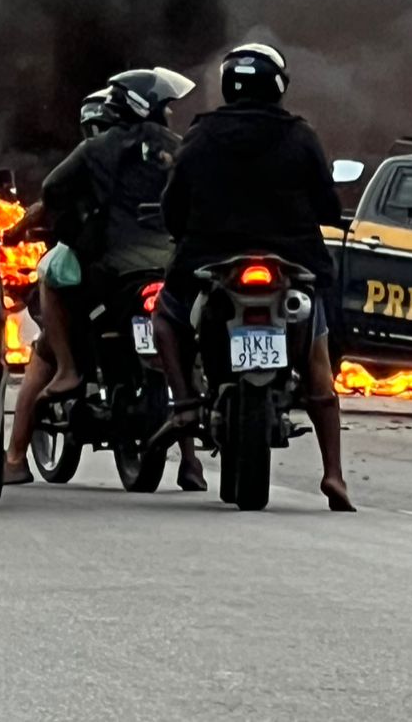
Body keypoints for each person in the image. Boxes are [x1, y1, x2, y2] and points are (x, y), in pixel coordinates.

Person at [149, 42, 355, 512]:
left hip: (211, 263)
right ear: (278, 87)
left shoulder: (200, 137)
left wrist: (185, 233)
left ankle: (185, 405)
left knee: (167, 316)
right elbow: (328, 206)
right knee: (318, 367)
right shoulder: (301, 137)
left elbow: (173, 207)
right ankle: (334, 475)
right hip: (292, 265)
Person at [3, 72, 207, 490]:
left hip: (113, 269)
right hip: (171, 267)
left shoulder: (96, 150)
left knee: (50, 290)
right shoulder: (178, 148)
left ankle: (53, 397)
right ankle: (191, 463)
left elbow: (52, 190)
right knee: (182, 350)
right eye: (165, 106)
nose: (169, 112)